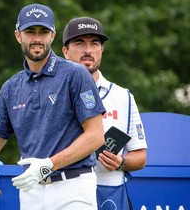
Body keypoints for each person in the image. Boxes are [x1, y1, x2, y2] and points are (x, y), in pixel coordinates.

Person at [0, 4, 106, 210]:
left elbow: (95, 135)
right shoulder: (11, 87)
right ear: (18, 35)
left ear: (53, 35)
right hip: (32, 192)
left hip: (73, 187)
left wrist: (49, 165)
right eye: (30, 32)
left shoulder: (75, 74)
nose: (37, 38)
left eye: (43, 32)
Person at [62, 16, 148, 210]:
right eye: (79, 43)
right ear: (65, 52)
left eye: (95, 43)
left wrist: (121, 162)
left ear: (101, 50)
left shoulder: (123, 96)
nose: (88, 50)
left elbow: (140, 156)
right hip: (65, 193)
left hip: (111, 194)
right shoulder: (52, 96)